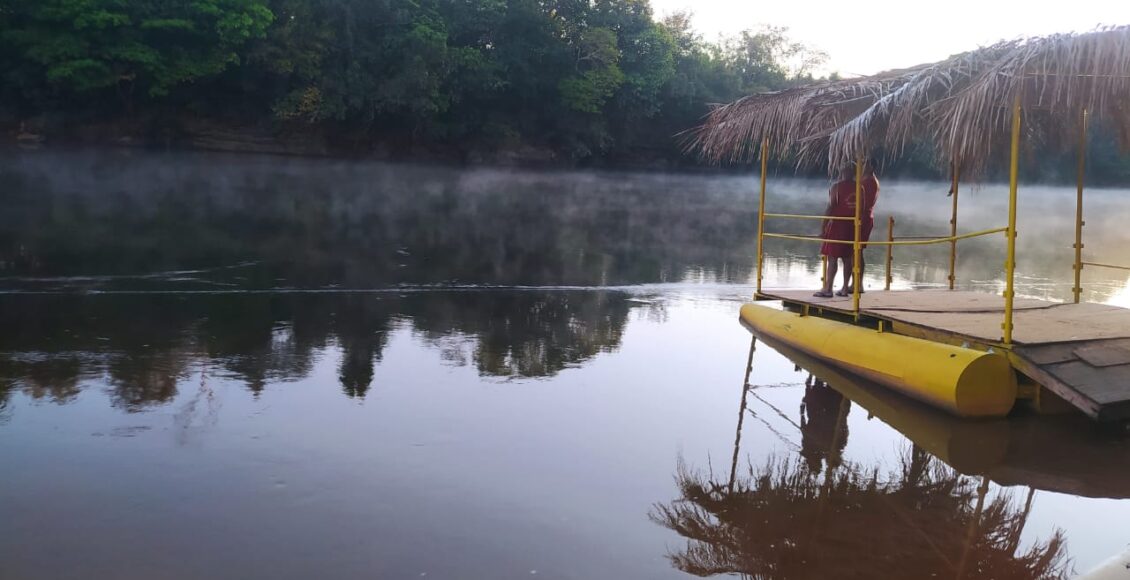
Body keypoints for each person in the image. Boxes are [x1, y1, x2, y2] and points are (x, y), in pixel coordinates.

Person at [814, 162, 879, 297]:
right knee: (848, 258)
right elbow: (860, 209)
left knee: (832, 258)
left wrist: (823, 227)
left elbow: (830, 207)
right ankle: (844, 288)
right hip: (852, 226)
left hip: (838, 225)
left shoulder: (836, 187)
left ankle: (828, 288)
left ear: (842, 172)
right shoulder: (860, 187)